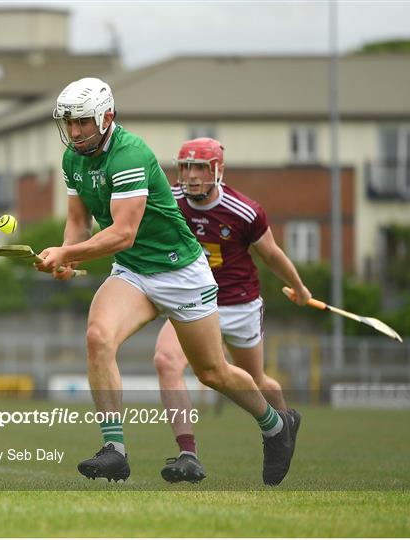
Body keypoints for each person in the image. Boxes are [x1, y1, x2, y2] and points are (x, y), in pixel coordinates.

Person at [36, 77, 309, 486]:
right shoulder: (73, 159)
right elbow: (78, 222)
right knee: (98, 337)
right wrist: (64, 252)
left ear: (107, 117)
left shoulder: (129, 154)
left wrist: (68, 254)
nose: (74, 132)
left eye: (83, 122)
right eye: (69, 123)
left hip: (180, 272)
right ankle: (115, 450)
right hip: (132, 271)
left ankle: (275, 424)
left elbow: (122, 232)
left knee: (213, 372)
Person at [154, 137, 312, 483]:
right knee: (167, 361)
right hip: (192, 300)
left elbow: (271, 254)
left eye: (199, 168)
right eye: (185, 167)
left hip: (237, 303)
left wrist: (299, 287)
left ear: (218, 171)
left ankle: (282, 425)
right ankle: (187, 454)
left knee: (253, 380)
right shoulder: (168, 199)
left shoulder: (245, 211)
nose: (191, 176)